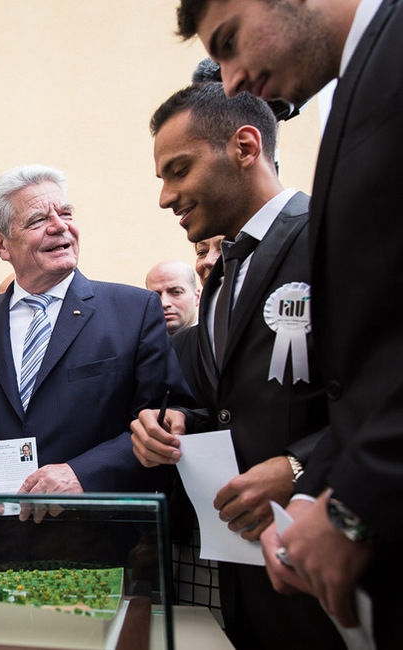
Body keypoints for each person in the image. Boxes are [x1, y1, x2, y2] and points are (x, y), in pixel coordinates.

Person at [177, 1, 403, 645]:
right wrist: (175, 423)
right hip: (265, 566)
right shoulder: (218, 276)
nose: (232, 78)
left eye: (229, 42)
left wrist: (321, 484)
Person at [134, 81, 340, 650]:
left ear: (245, 148)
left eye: (179, 170)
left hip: (336, 558)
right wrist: (179, 424)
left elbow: (382, 398)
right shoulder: (223, 276)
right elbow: (228, 406)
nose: (165, 196)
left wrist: (300, 467)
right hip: (249, 574)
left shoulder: (330, 233)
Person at [0, 164, 189, 523]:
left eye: (66, 213)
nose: (60, 226)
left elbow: (164, 419)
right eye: (39, 219)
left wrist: (83, 473)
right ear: (2, 244)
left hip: (100, 540)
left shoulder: (133, 311)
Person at [145, 260, 200, 335]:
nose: (164, 303)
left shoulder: (215, 340)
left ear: (197, 297)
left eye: (176, 292)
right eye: (155, 295)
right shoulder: (136, 343)